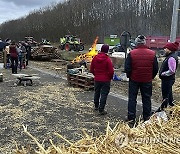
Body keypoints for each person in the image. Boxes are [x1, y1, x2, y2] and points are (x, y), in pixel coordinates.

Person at [124, 35, 159, 123]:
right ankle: (146, 117)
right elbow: (155, 69)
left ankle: (131, 117)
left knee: (132, 98)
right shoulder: (152, 53)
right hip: (147, 80)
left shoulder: (131, 53)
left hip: (134, 79)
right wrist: (151, 77)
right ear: (144, 43)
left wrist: (129, 76)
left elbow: (127, 68)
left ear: (136, 43)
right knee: (146, 98)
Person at [90, 44, 114, 115]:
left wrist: (95, 74)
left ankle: (96, 106)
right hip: (106, 80)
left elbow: (91, 69)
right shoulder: (107, 59)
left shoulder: (95, 57)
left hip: (97, 79)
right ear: (107, 50)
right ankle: (101, 109)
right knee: (104, 94)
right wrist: (110, 77)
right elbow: (111, 71)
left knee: (97, 92)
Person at [156, 41, 179, 112]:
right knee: (169, 95)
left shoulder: (171, 58)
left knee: (165, 96)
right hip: (168, 79)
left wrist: (163, 74)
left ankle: (162, 110)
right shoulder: (170, 56)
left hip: (168, 79)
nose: (165, 50)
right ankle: (172, 109)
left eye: (166, 48)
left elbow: (172, 70)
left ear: (170, 49)